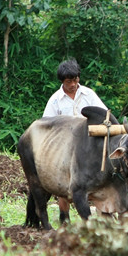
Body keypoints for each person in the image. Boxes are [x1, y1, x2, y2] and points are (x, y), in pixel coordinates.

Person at [42, 58, 107, 219]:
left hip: (89, 145)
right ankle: (64, 216)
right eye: (69, 81)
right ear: (62, 81)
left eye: (76, 79)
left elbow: (104, 115)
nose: (73, 84)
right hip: (66, 147)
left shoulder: (88, 94)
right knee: (64, 184)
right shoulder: (56, 100)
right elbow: (47, 125)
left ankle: (103, 214)